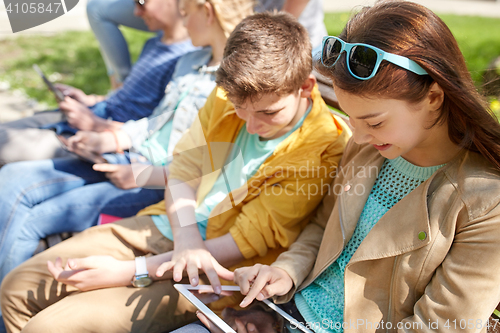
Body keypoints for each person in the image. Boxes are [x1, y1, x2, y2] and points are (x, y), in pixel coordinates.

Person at [0, 12, 351, 333]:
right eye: (240, 109)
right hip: (173, 229)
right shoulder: (231, 92)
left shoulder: (323, 148)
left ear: (305, 87)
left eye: (268, 113)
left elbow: (245, 244)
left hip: (214, 274)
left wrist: (129, 271)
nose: (252, 124)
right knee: (17, 287)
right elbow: (184, 166)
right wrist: (186, 241)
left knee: (50, 326)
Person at [206, 1, 500, 333]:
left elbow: (441, 326)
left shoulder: (485, 202)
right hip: (285, 314)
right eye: (351, 118)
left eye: (373, 121)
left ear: (434, 97)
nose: (357, 136)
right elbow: (323, 226)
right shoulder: (369, 149)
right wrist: (286, 270)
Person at [0, 0, 253, 289]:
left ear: (207, 12)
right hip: (126, 159)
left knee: (32, 219)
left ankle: (8, 311)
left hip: (155, 181)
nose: (182, 23)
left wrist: (141, 175)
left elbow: (212, 161)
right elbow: (155, 122)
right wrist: (109, 138)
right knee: (10, 177)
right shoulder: (189, 62)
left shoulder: (235, 86)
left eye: (185, 14)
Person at [0, 0, 195, 166]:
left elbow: (158, 133)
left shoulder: (185, 62)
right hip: (92, 113)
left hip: (99, 138)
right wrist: (89, 99)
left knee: (5, 145)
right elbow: (129, 97)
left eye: (141, 2)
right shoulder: (155, 43)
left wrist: (96, 124)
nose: (136, 12)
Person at [86, 0, 327, 90]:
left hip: (290, 39)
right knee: (97, 8)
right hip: (239, 27)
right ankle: (122, 85)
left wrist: (272, 32)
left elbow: (284, 27)